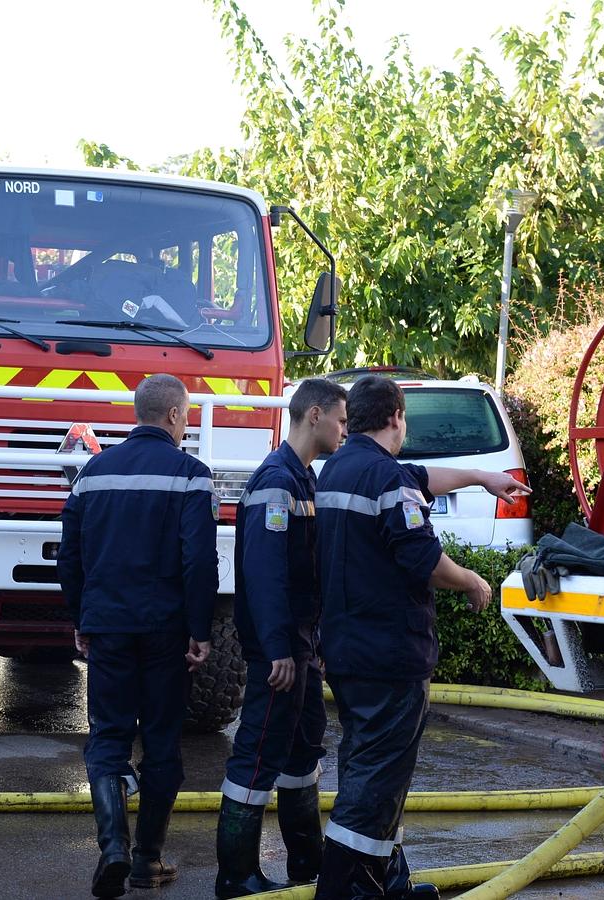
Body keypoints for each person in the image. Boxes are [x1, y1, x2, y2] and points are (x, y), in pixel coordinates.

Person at [313, 376, 527, 898]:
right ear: (396, 417)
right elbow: (423, 560)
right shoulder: (387, 479)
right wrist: (473, 581)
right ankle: (346, 886)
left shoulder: (340, 468)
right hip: (389, 655)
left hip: (346, 650)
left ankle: (388, 879)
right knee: (377, 777)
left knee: (367, 766)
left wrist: (481, 477)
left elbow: (424, 477)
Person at [58, 373, 218, 899]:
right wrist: (200, 629)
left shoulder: (92, 473)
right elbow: (199, 561)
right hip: (166, 632)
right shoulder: (191, 476)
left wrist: (82, 616)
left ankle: (112, 849)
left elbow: (70, 555)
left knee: (107, 737)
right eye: (186, 414)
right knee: (162, 742)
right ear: (173, 415)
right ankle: (147, 860)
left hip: (108, 626)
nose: (187, 423)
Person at [215, 378, 347, 896]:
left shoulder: (302, 479)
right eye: (341, 420)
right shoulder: (277, 481)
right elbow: (266, 575)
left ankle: (306, 862)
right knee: (259, 750)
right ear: (315, 415)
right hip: (282, 651)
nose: (344, 431)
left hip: (300, 646)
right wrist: (277, 650)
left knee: (302, 747)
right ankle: (236, 874)